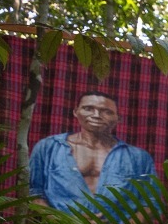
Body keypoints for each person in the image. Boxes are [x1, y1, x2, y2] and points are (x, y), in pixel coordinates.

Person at [27, 91, 157, 213]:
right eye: (88, 108)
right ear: (76, 112)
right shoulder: (49, 147)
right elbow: (33, 194)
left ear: (118, 118)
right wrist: (62, 222)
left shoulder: (138, 157)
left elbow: (151, 202)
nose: (96, 115)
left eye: (106, 111)